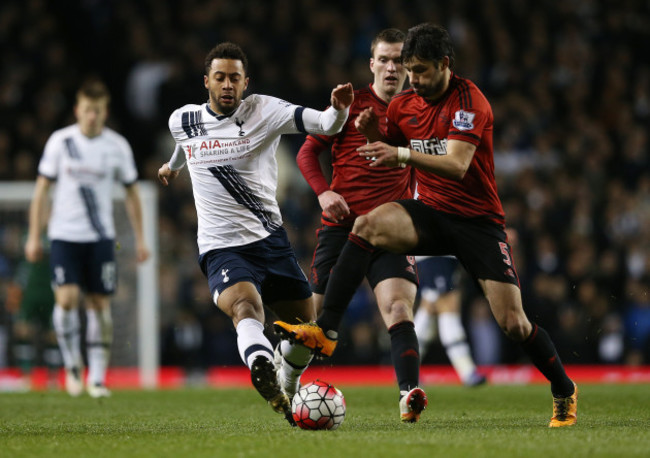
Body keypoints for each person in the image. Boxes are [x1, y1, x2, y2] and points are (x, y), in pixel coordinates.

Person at [275, 23, 578, 428]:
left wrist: (400, 154)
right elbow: (389, 137)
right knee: (365, 225)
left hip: (477, 223)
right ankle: (327, 330)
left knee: (513, 322)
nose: (412, 79)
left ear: (445, 64)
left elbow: (455, 164)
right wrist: (370, 132)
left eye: (418, 70)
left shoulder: (470, 102)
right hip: (430, 213)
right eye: (407, 70)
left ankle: (563, 390)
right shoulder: (404, 104)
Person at [157, 42, 353, 426]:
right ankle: (261, 362)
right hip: (221, 246)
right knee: (246, 308)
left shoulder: (266, 110)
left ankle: (287, 382)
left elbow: (325, 125)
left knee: (306, 331)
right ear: (207, 82)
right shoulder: (183, 120)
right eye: (220, 77)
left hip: (270, 240)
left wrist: (339, 109)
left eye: (234, 78)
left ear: (246, 82)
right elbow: (184, 145)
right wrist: (171, 166)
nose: (227, 84)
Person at [294, 28, 427, 422]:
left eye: (399, 60)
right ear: (371, 64)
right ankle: (287, 385)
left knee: (399, 308)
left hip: (391, 227)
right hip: (341, 227)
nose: (391, 67)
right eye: (384, 59)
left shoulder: (418, 110)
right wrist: (322, 193)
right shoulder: (349, 105)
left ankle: (409, 395)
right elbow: (307, 153)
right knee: (313, 322)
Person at [25, 79, 150, 398]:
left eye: (97, 110)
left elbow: (133, 193)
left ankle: (96, 377)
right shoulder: (60, 142)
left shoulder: (117, 146)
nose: (91, 116)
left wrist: (141, 238)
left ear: (104, 111)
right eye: (86, 110)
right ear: (77, 110)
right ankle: (72, 366)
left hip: (100, 238)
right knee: (66, 300)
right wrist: (33, 236)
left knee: (98, 303)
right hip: (64, 235)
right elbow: (42, 191)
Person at [413, 256, 486, 386]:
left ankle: (407, 370)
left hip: (441, 254)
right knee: (446, 305)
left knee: (430, 304)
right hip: (436, 253)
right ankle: (467, 371)